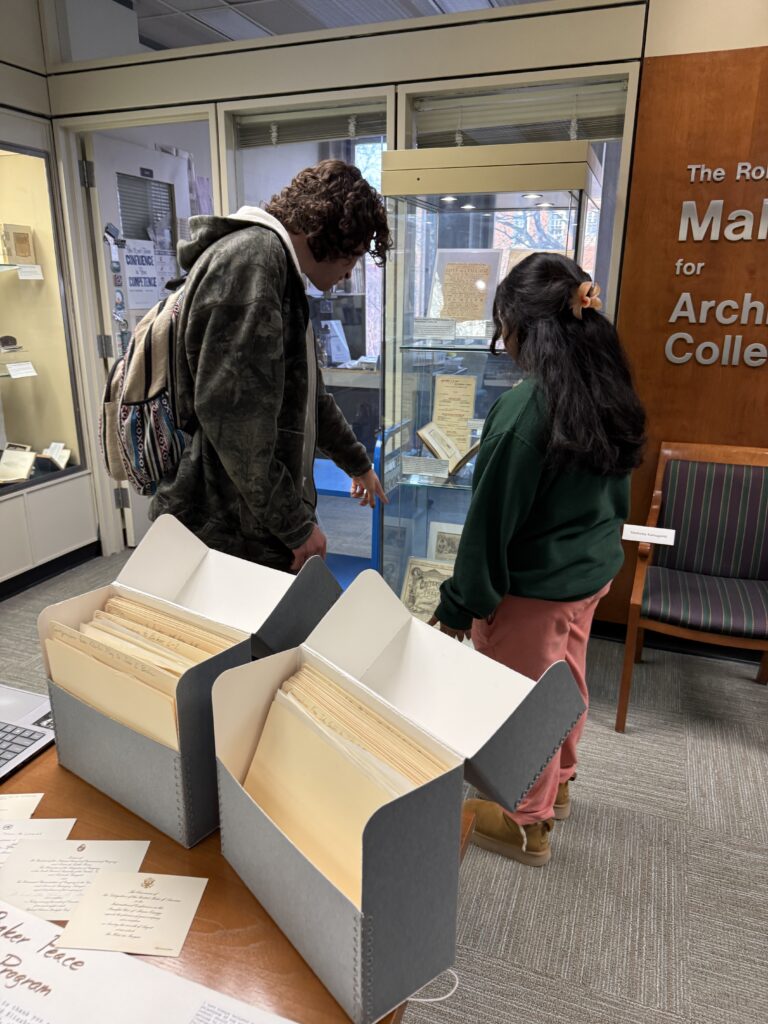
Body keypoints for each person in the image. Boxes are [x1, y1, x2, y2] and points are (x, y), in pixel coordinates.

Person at [429, 252, 646, 866]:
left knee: (519, 701)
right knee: (565, 681)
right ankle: (562, 784)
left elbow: (488, 529)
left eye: (504, 330)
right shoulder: (607, 390)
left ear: (525, 329)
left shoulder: (527, 412)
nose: (506, 343)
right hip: (590, 576)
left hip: (534, 590)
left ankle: (527, 824)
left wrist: (458, 608)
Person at [151, 160, 391, 571]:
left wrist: (358, 463)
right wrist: (296, 526)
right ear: (326, 232)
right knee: (243, 635)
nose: (351, 272)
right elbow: (236, 424)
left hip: (246, 519)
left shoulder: (273, 266)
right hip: (224, 527)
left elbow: (309, 395)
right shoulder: (254, 262)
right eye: (352, 255)